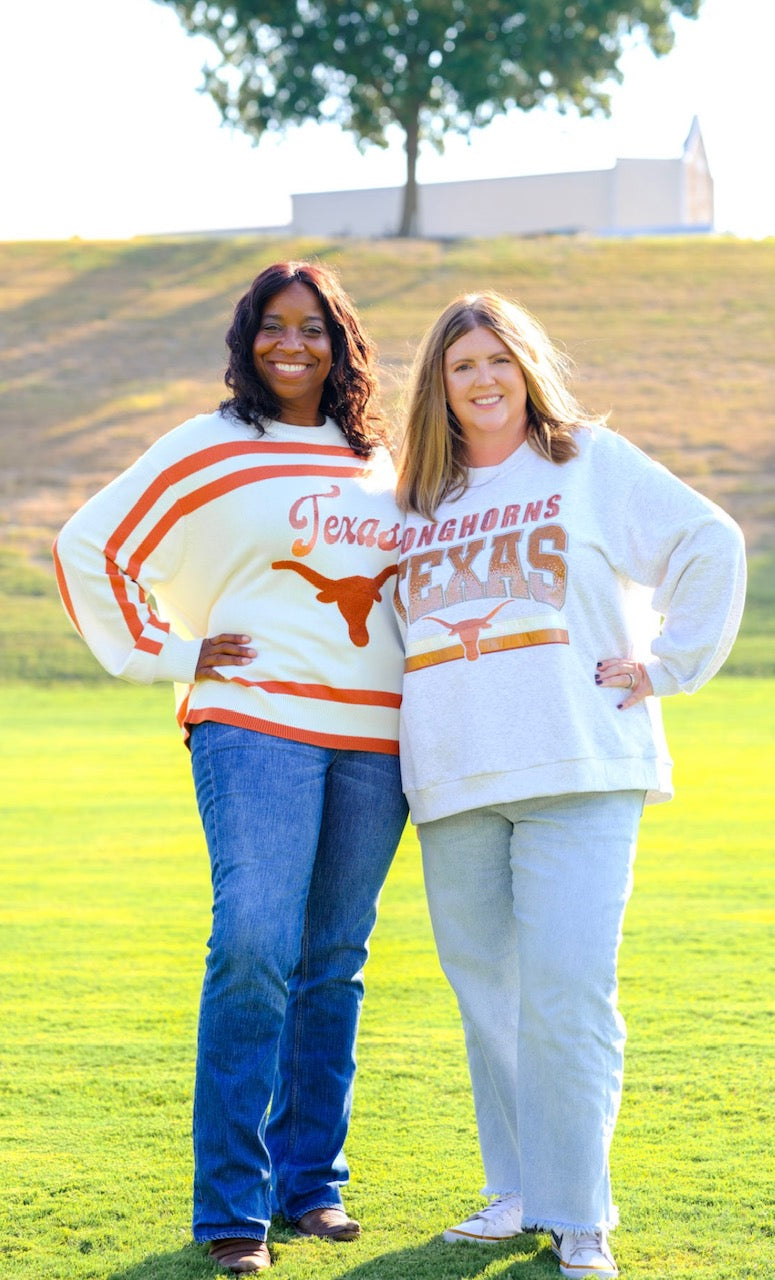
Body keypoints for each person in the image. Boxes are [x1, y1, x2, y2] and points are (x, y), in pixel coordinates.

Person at [53, 261, 408, 1274]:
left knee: (333, 955)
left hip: (377, 736)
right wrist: (167, 649)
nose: (291, 345)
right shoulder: (208, 446)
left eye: (313, 328)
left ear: (342, 344)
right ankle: (230, 1206)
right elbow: (93, 544)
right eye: (271, 326)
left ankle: (312, 1187)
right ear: (245, 338)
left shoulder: (378, 456)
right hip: (253, 722)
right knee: (255, 939)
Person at [393, 290, 745, 1279]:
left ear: (526, 366)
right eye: (462, 366)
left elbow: (707, 541)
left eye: (498, 359)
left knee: (570, 993)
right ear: (440, 386)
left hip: (580, 766)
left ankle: (581, 1212)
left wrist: (663, 663)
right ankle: (516, 1191)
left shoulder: (587, 462)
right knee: (490, 998)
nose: (483, 379)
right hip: (455, 783)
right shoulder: (417, 498)